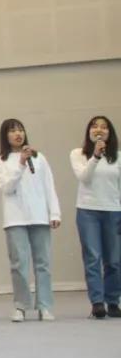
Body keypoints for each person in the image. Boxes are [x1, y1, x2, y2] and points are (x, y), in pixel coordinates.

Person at [0, 118, 61, 322]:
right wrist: (21, 164)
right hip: (15, 219)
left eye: (20, 130)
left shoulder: (39, 158)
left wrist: (54, 213)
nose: (18, 134)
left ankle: (45, 306)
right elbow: (7, 187)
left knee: (43, 263)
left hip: (39, 216)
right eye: (13, 131)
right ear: (5, 136)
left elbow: (49, 186)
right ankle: (21, 305)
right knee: (19, 264)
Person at [69, 115, 121, 319]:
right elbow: (84, 177)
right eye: (94, 126)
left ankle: (113, 301)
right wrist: (96, 156)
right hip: (87, 211)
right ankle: (97, 302)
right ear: (88, 131)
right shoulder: (78, 154)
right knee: (93, 257)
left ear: (110, 133)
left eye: (104, 127)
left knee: (114, 260)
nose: (99, 130)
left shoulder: (118, 156)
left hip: (114, 210)